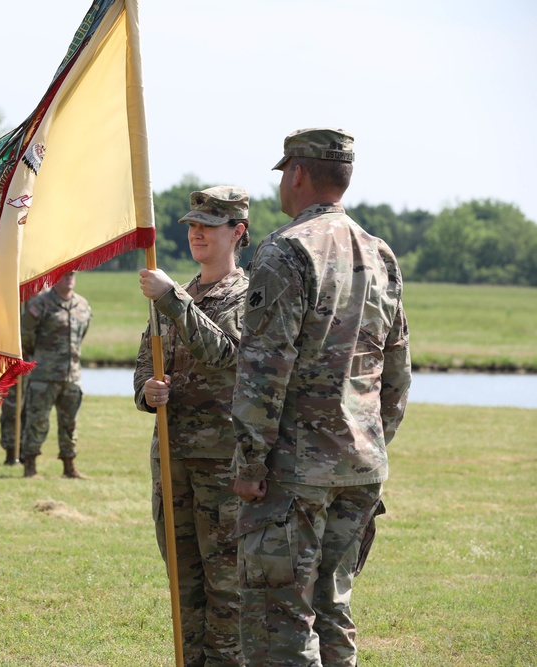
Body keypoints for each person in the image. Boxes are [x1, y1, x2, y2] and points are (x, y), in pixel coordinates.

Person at [231, 128, 412, 667]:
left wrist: (249, 461)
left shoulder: (286, 251)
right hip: (359, 467)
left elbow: (264, 371)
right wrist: (373, 440)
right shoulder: (381, 255)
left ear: (297, 174)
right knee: (333, 608)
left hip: (294, 472)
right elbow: (396, 372)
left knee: (279, 618)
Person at [134, 186, 251, 666]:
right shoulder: (176, 291)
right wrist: (147, 391)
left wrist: (173, 299)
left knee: (226, 587)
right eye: (192, 226)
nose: (197, 233)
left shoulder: (248, 295)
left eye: (209, 225)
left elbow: (227, 355)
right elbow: (146, 361)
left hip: (222, 464)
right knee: (183, 586)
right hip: (172, 459)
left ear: (238, 232)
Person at [19, 271, 92, 478]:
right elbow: (26, 336)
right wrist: (38, 357)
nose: (69, 278)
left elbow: (81, 334)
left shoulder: (82, 305)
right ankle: (30, 466)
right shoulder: (40, 304)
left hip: (72, 376)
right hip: (44, 375)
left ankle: (69, 467)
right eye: (64, 275)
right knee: (37, 422)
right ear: (56, 277)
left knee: (70, 423)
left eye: (72, 275)